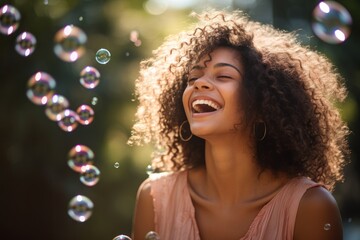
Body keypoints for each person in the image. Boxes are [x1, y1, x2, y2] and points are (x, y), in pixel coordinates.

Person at [129, 9, 350, 240]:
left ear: (263, 105)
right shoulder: (154, 197)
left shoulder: (310, 207)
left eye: (223, 76)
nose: (200, 84)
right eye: (192, 78)